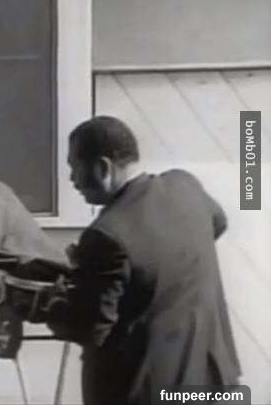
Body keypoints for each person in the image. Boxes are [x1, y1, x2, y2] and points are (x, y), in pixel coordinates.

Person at [27, 116, 241, 405]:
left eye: (74, 167)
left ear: (102, 167)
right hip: (215, 384)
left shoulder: (106, 235)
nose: (72, 179)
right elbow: (217, 223)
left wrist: (50, 303)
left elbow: (89, 327)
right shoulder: (185, 185)